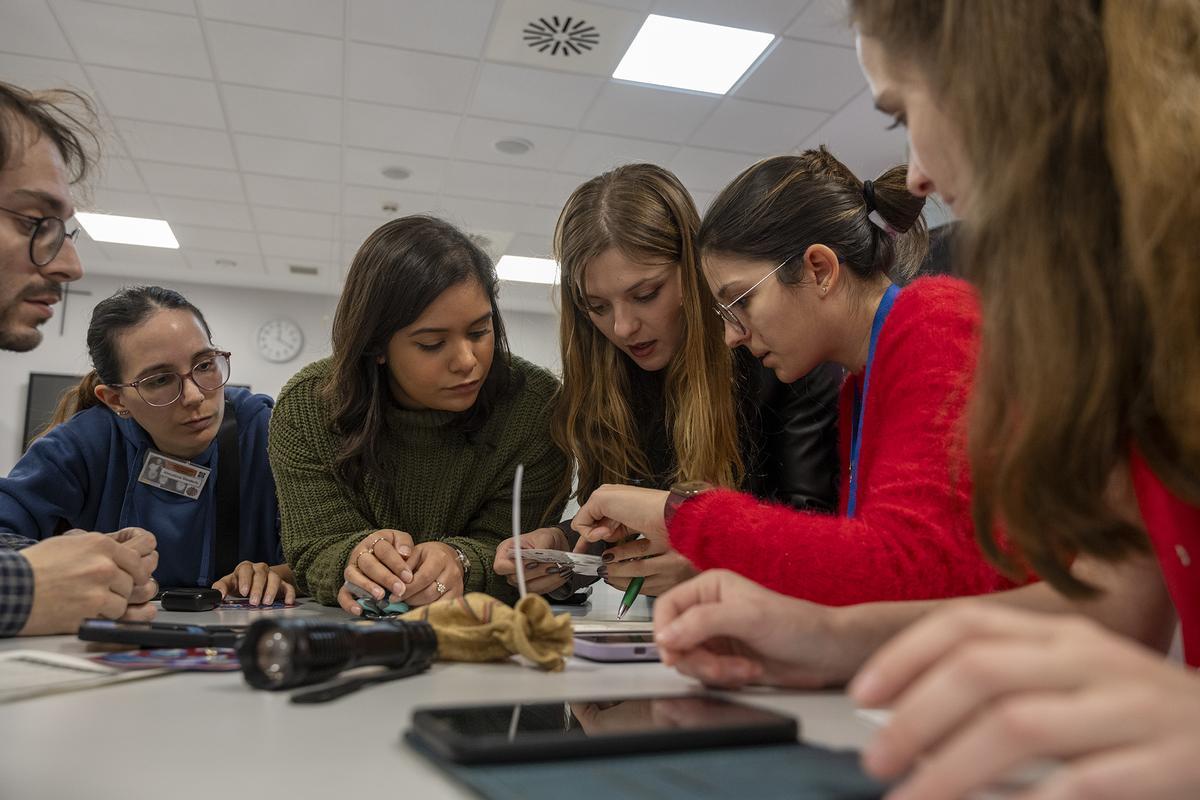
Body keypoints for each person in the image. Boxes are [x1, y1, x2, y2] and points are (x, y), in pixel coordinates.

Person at [643, 2, 1200, 797]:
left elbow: (918, 565)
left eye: (904, 112)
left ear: (1011, 81)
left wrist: (675, 510)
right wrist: (832, 636)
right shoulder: (1124, 315)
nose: (918, 176)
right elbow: (1113, 604)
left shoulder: (938, 322)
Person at [574, 148, 1018, 605]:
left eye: (740, 302)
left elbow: (907, 570)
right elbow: (859, 570)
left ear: (819, 270)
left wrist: (683, 515)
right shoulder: (860, 386)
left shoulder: (937, 325)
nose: (731, 336)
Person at [493, 163, 841, 599]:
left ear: (695, 273)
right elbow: (620, 531)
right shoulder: (611, 379)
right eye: (597, 307)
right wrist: (564, 550)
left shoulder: (780, 358)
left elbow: (821, 541)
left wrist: (714, 563)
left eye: (645, 295)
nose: (622, 328)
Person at [269, 215, 569, 613]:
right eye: (431, 343)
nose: (467, 362)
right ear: (375, 346)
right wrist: (354, 559)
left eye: (480, 332)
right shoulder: (307, 409)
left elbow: (517, 550)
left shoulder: (537, 409)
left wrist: (462, 561)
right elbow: (314, 548)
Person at [1, 285, 295, 606]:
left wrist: (278, 574)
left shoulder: (267, 433)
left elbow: (325, 549)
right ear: (115, 399)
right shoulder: (82, 445)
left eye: (205, 365)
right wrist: (66, 559)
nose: (195, 396)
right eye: (159, 380)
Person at [0, 79, 156, 635]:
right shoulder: (81, 444)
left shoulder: (255, 426)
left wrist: (82, 562)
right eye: (33, 223)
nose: (70, 264)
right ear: (116, 398)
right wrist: (24, 588)